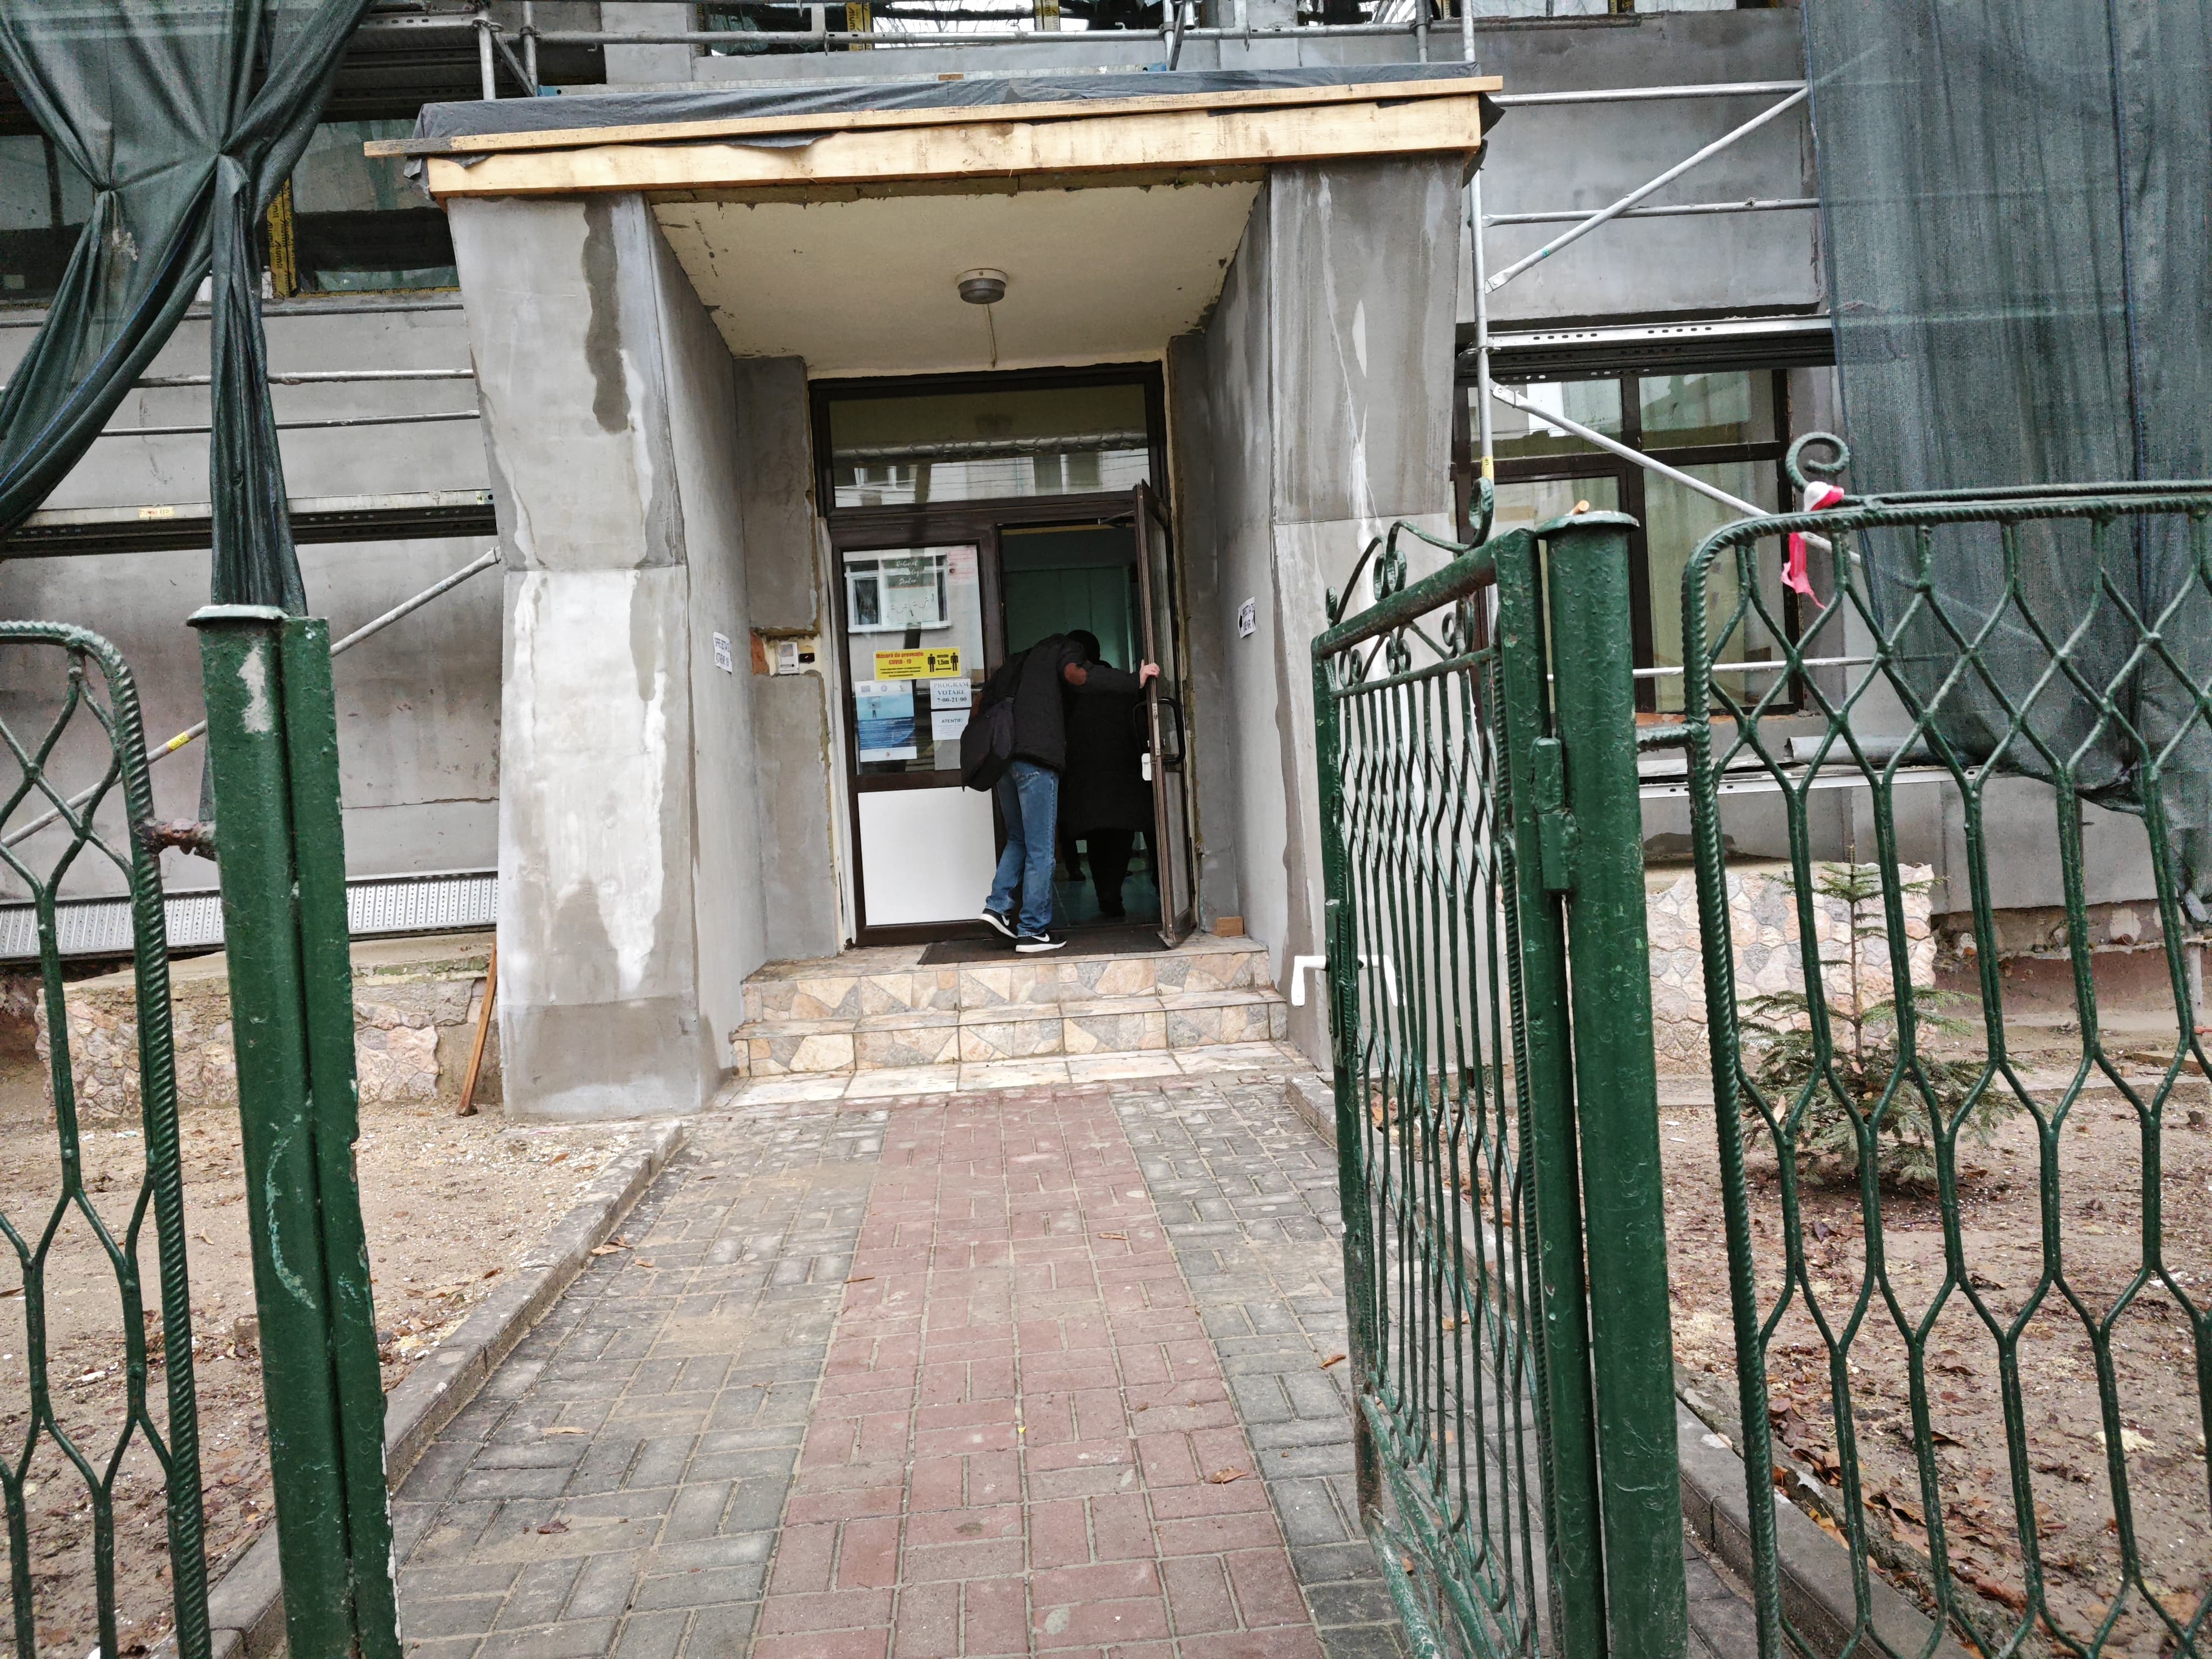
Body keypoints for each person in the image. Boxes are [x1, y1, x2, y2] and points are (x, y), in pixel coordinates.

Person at [979, 631, 1157, 953]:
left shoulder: (1017, 662)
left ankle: (997, 907)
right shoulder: (1064, 651)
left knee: (1018, 839)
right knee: (1041, 849)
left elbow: (981, 704)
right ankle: (1032, 930)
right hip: (1037, 761)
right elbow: (1079, 676)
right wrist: (1136, 680)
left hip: (1004, 763)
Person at [1057, 629, 1152, 921]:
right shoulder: (1121, 683)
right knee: (1121, 833)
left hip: (1085, 774)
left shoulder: (1070, 690)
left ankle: (1106, 894)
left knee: (1097, 837)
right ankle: (1114, 893)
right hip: (1123, 770)